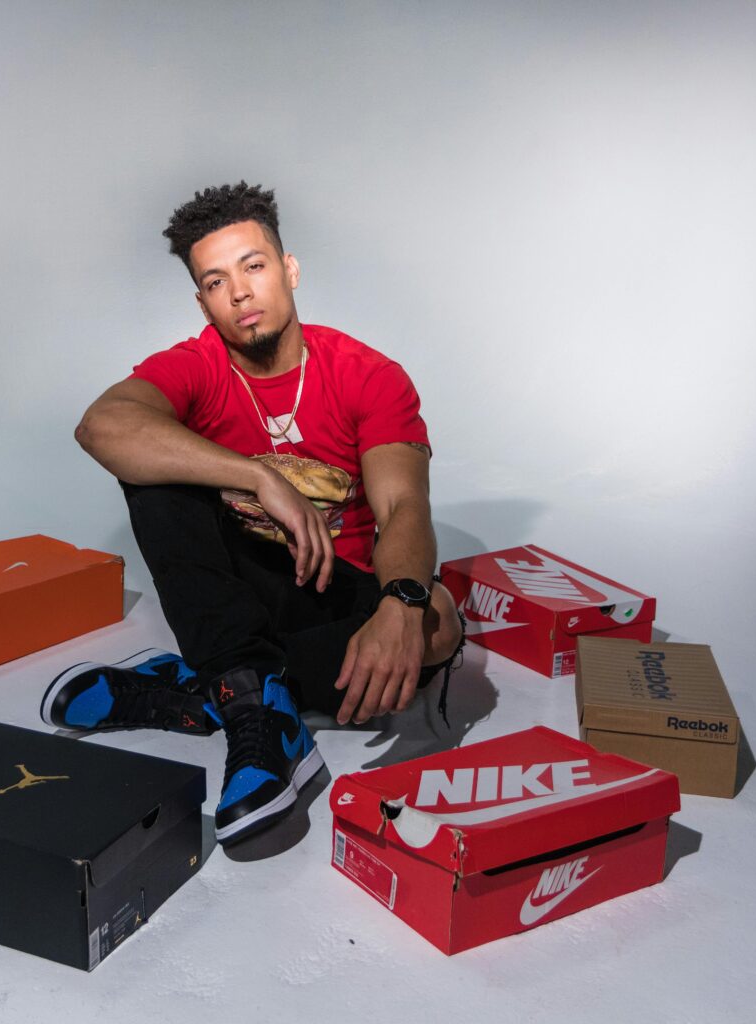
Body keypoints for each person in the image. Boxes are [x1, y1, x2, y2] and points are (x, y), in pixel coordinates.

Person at [40, 182, 463, 846]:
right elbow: (102, 427)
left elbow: (404, 505)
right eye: (215, 280)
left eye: (253, 266)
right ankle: (264, 714)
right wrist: (255, 475)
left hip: (330, 598)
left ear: (288, 270)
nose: (238, 291)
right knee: (155, 473)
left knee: (439, 624)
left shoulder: (367, 374)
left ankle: (209, 687)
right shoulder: (196, 366)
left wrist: (401, 601)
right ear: (202, 300)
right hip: (234, 587)